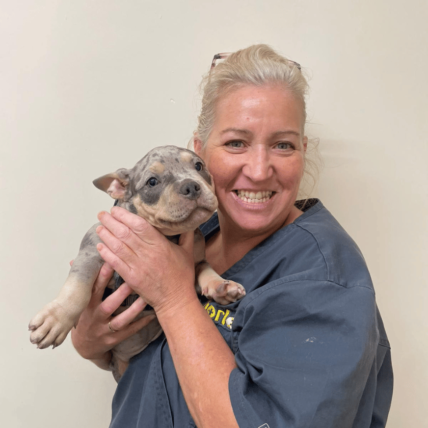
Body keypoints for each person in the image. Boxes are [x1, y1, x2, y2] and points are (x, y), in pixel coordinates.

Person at [71, 44, 393, 428]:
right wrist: (91, 342)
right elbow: (145, 368)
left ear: (303, 152)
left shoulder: (324, 283)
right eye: (236, 143)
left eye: (283, 145)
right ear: (199, 152)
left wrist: (174, 298)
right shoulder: (185, 236)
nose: (258, 170)